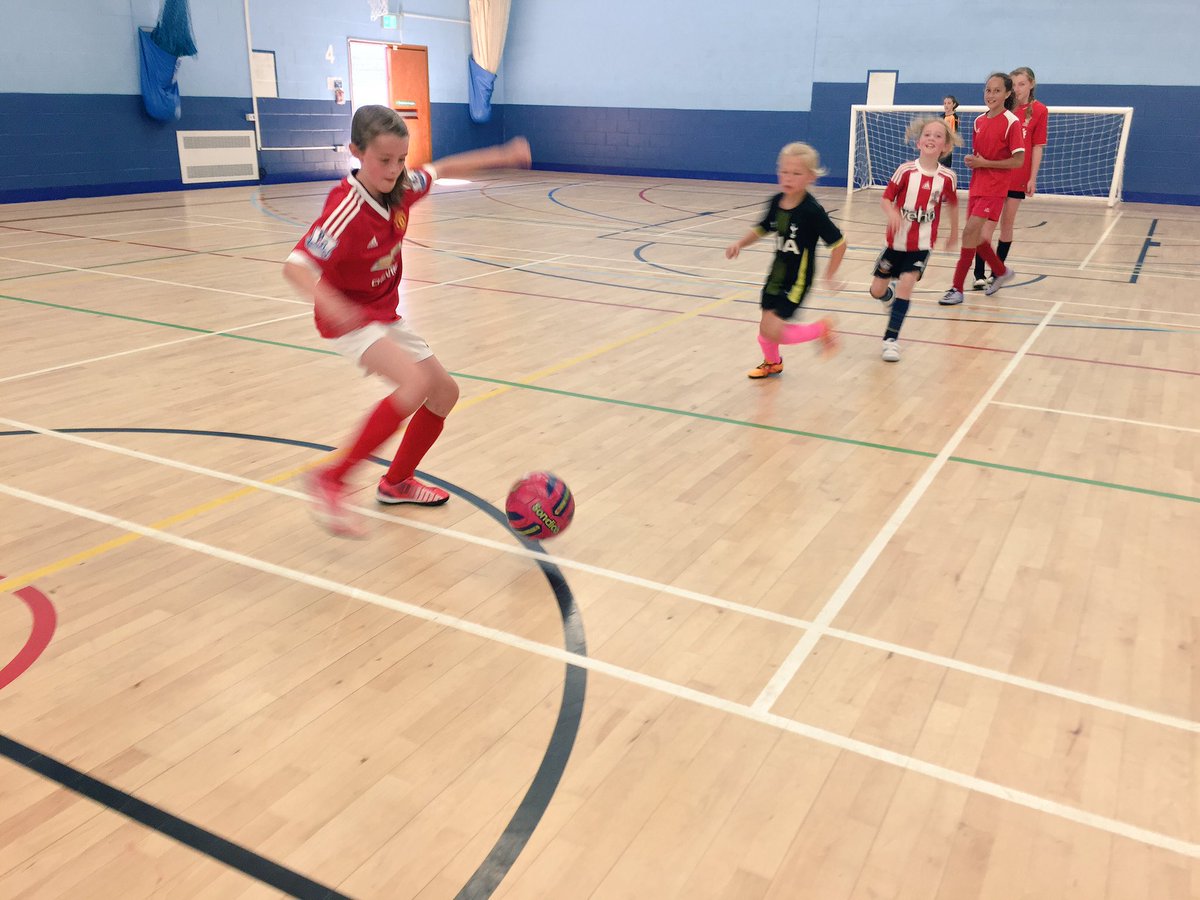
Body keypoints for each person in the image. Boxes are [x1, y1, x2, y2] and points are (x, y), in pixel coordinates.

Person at [284, 104, 531, 536]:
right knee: (414, 385)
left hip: (384, 313)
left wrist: (503, 154)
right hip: (351, 318)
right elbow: (296, 268)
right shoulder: (344, 209)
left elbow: (444, 167)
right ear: (356, 152)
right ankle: (332, 478)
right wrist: (333, 304)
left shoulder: (400, 187)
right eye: (384, 161)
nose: (395, 170)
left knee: (444, 394)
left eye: (400, 160)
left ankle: (396, 482)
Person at [726, 142, 845, 379]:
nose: (788, 177)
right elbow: (762, 228)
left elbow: (839, 244)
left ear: (811, 177)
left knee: (772, 329)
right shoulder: (776, 201)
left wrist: (829, 275)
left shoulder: (812, 211)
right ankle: (773, 363)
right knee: (765, 327)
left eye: (796, 173)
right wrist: (740, 243)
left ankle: (820, 329)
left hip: (796, 281)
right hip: (776, 275)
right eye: (784, 171)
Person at [870, 117, 960, 362]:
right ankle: (887, 298)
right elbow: (886, 199)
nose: (932, 138)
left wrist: (954, 233)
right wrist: (892, 213)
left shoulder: (947, 178)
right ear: (919, 141)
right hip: (895, 243)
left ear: (945, 147)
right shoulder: (905, 171)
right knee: (877, 290)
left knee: (906, 284)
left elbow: (952, 205)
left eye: (938, 136)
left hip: (921, 245)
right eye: (927, 134)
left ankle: (891, 339)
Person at [940, 72, 1025, 306]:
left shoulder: (1012, 122)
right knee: (975, 238)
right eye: (988, 90)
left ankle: (956, 288)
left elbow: (1018, 161)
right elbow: (981, 156)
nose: (991, 95)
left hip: (995, 189)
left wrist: (985, 163)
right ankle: (1001, 271)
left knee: (969, 233)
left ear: (1008, 94)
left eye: (997, 90)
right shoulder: (978, 121)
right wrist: (973, 160)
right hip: (977, 185)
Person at [973, 66, 1047, 289]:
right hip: (995, 175)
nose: (1017, 89)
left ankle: (998, 271)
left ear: (1031, 84)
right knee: (985, 225)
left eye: (1022, 84)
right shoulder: (1001, 109)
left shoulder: (1040, 111)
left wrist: (1032, 177)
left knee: (1007, 223)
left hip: (1018, 175)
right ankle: (978, 273)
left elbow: (1037, 146)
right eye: (1013, 85)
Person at [939, 95, 960, 168]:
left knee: (945, 168)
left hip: (947, 147)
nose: (946, 105)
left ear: (953, 104)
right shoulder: (941, 117)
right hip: (938, 146)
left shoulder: (954, 117)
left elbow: (953, 132)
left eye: (949, 103)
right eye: (945, 103)